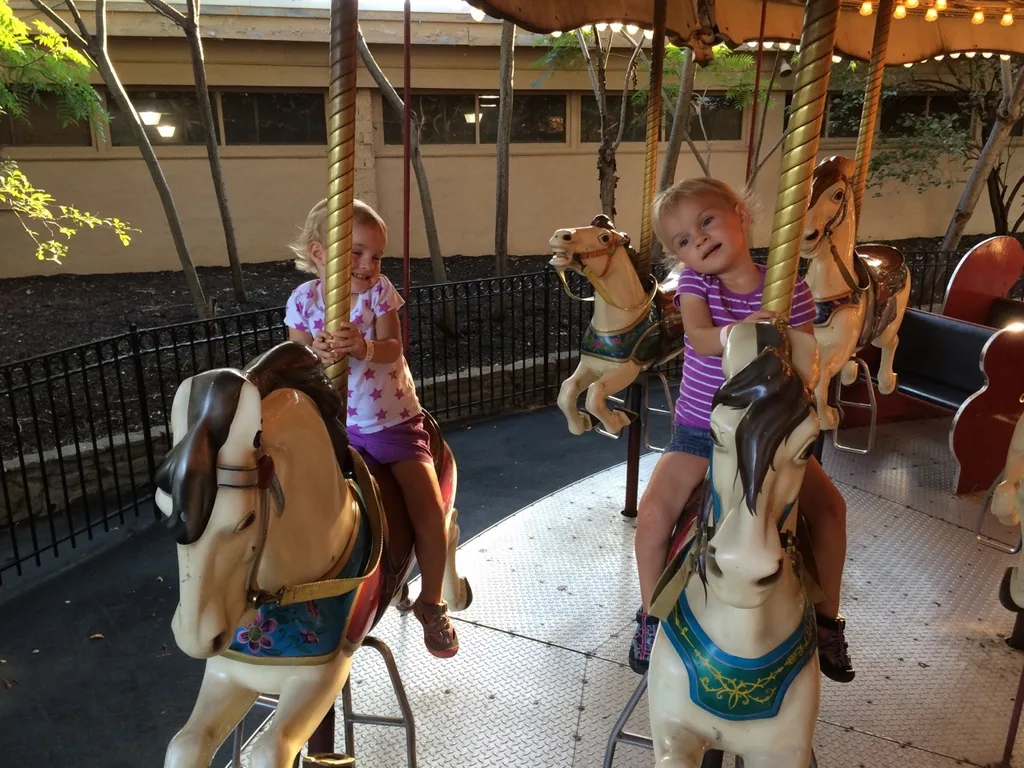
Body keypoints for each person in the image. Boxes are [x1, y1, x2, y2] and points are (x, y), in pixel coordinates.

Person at [629, 178, 854, 683]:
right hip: (700, 430)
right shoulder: (696, 286)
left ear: (740, 215)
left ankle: (827, 621)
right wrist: (744, 329)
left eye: (706, 221)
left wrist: (793, 340)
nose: (699, 240)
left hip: (770, 436)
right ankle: (650, 617)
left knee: (831, 511)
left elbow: (805, 364)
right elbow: (702, 338)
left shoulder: (790, 288)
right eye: (683, 240)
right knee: (652, 516)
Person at [284, 198, 458, 659]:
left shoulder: (379, 292)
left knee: (425, 507)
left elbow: (393, 348)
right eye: (356, 252)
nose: (368, 264)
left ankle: (433, 601)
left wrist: (362, 345)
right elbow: (294, 363)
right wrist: (316, 355)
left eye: (376, 255)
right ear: (320, 253)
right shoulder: (303, 301)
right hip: (335, 425)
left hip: (391, 421)